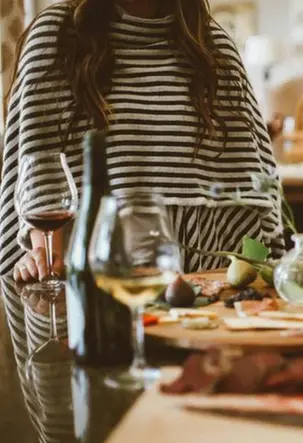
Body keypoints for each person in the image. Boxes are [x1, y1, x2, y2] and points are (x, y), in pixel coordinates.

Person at [2, 0, 285, 282]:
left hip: (211, 287)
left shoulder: (212, 44)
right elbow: (42, 181)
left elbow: (254, 196)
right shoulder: (57, 35)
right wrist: (44, 256)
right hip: (98, 285)